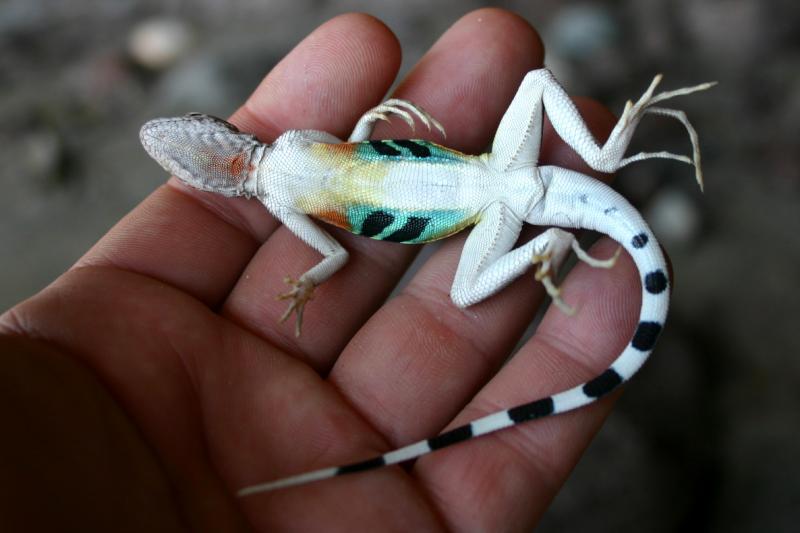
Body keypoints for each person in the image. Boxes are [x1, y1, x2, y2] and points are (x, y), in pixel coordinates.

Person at [0, 9, 645, 531]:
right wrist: (372, 122)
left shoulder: (280, 199)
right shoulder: (290, 145)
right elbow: (354, 141)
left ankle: (545, 246)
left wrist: (308, 282)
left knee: (465, 292)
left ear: (220, 182)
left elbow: (335, 252)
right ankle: (605, 154)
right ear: (225, 133)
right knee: (533, 83)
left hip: (496, 206)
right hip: (496, 175)